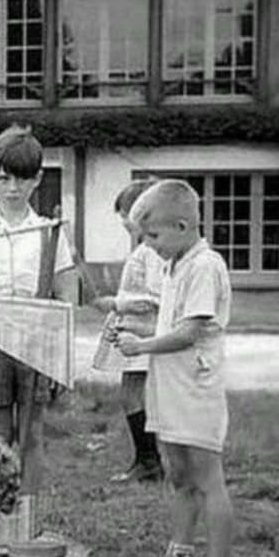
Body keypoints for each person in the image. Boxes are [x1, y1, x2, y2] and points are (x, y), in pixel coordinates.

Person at [114, 179, 235, 557]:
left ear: (183, 225)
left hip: (196, 390)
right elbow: (169, 324)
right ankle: (180, 556)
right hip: (171, 390)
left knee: (207, 478)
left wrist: (141, 345)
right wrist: (133, 327)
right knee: (179, 475)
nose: (149, 245)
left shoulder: (205, 266)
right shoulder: (173, 265)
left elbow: (188, 333)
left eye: (153, 236)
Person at [0, 126, 78, 494]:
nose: (13, 188)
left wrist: (62, 359)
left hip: (37, 343)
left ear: (38, 179)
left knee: (31, 433)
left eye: (23, 179)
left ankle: (28, 512)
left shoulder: (49, 232)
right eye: (4, 178)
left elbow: (66, 300)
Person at [92, 179, 164, 483]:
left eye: (125, 214)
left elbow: (154, 299)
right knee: (130, 395)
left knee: (133, 395)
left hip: (144, 335)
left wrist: (116, 303)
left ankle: (150, 461)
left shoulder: (152, 252)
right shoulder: (143, 249)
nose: (122, 222)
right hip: (132, 332)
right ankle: (147, 458)